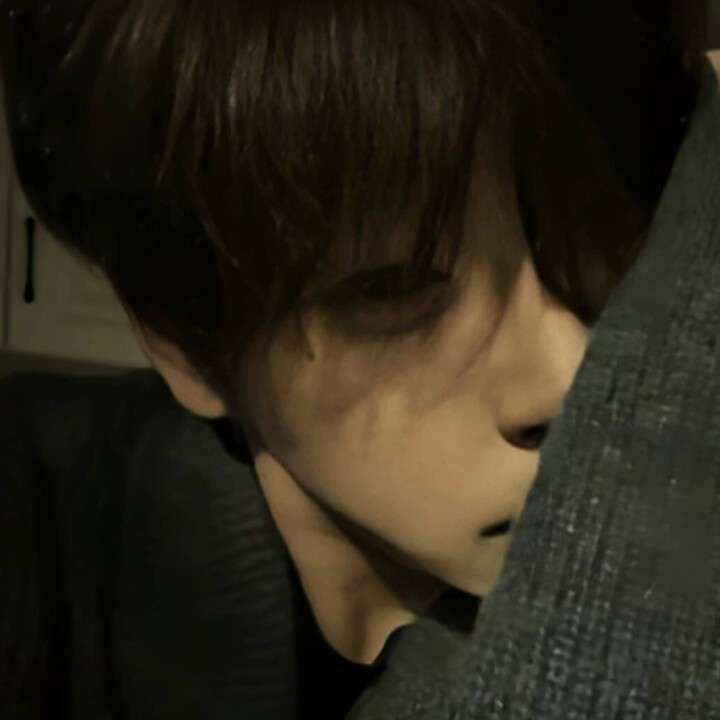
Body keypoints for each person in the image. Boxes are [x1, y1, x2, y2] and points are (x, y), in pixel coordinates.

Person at [0, 0, 709, 717]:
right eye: (390, 290)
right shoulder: (47, 553)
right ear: (178, 344)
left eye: (606, 230)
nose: (570, 371)